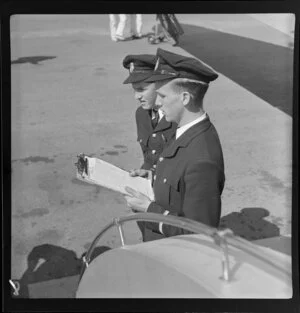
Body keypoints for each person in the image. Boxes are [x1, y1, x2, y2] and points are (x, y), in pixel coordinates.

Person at [124, 48, 225, 242]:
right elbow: (178, 179)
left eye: (163, 96)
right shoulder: (185, 133)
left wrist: (149, 210)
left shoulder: (202, 159)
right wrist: (153, 176)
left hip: (174, 251)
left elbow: (199, 233)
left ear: (185, 98)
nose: (158, 103)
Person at [122, 54, 177, 240]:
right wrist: (143, 175)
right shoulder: (142, 114)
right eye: (134, 90)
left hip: (170, 202)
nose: (136, 96)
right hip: (145, 193)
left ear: (160, 86)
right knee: (147, 238)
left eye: (142, 89)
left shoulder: (177, 118)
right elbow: (150, 156)